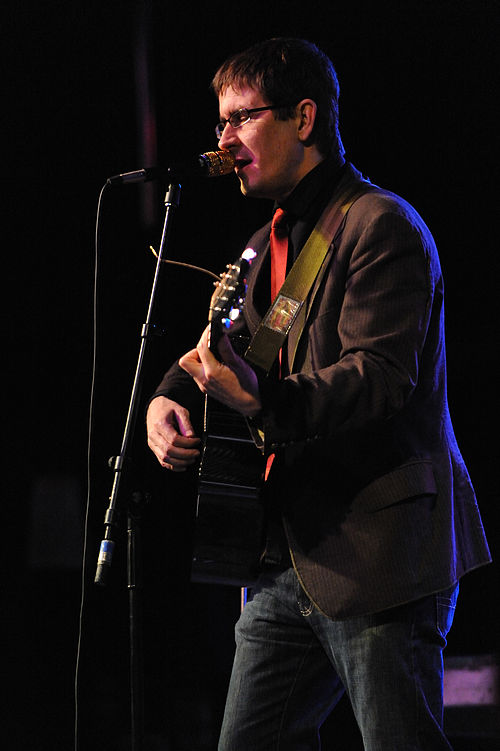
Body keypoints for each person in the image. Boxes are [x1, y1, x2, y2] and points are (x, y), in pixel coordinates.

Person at [146, 38, 491, 750]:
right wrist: (166, 397)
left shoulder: (380, 225)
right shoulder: (265, 244)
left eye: (242, 117)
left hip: (379, 559)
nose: (225, 139)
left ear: (303, 118)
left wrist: (258, 400)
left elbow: (378, 381)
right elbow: (213, 350)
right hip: (287, 560)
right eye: (220, 123)